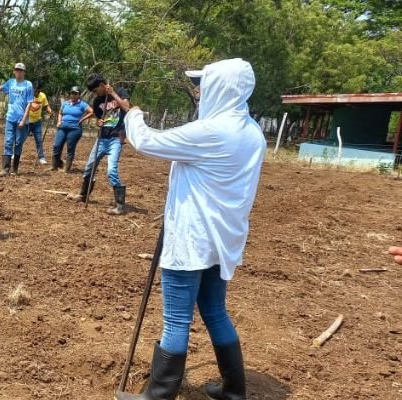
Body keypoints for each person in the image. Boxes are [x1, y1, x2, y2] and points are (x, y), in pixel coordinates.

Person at [120, 58, 266, 400]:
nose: (198, 89)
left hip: (193, 240)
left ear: (223, 87)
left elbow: (146, 142)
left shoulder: (212, 132)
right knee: (215, 311)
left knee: (175, 322)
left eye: (204, 82)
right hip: (222, 241)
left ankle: (157, 396)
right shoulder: (251, 131)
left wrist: (133, 113)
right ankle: (234, 390)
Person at [67, 73, 131, 216]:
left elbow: (127, 108)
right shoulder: (97, 102)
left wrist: (112, 93)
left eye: (96, 90)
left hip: (115, 138)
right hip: (102, 139)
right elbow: (98, 119)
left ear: (102, 85)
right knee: (89, 167)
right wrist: (98, 123)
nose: (95, 94)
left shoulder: (120, 92)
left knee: (111, 171)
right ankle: (83, 195)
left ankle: (120, 205)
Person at [0, 62, 34, 176]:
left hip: (22, 119)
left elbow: (29, 104)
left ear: (24, 72)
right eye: (17, 70)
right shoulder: (10, 82)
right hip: (10, 117)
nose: (18, 72)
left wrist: (23, 120)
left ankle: (15, 169)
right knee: (8, 141)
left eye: (21, 70)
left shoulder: (28, 85)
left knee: (18, 143)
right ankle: (5, 169)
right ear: (14, 71)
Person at [51, 85, 93, 172]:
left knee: (70, 147)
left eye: (75, 93)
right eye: (71, 93)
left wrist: (82, 119)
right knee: (57, 146)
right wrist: (59, 121)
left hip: (75, 128)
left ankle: (66, 169)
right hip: (62, 127)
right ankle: (54, 166)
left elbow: (91, 112)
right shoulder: (65, 103)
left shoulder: (82, 104)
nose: (73, 95)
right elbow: (60, 113)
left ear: (79, 95)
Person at [22, 82, 53, 165]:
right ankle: (15, 154)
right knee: (21, 139)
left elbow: (46, 106)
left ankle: (41, 157)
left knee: (39, 140)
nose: (36, 93)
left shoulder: (43, 96)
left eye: (38, 91)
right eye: (35, 91)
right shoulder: (27, 95)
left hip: (37, 122)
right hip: (27, 121)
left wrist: (49, 110)